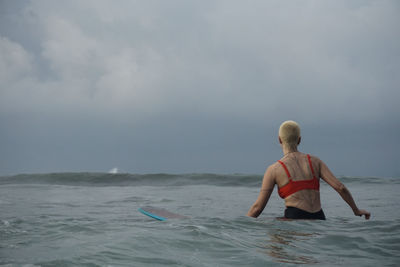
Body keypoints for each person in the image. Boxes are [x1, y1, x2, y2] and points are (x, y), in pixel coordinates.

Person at [247, 120, 370, 220]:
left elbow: (257, 208)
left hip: (294, 218)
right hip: (319, 217)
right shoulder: (316, 162)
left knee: (272, 240)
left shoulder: (274, 169)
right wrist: (356, 210)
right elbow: (340, 187)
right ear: (299, 140)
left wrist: (238, 232)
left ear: (279, 140)